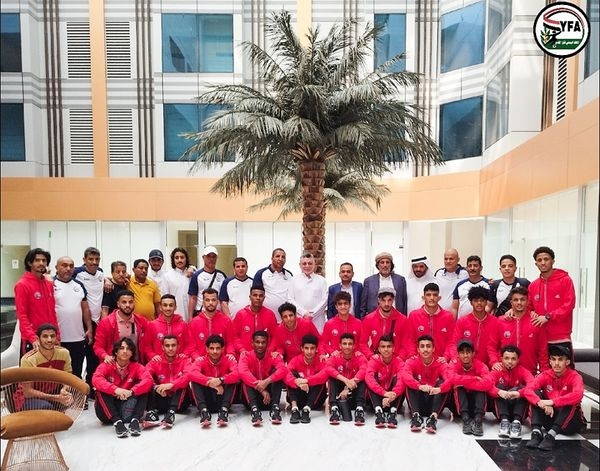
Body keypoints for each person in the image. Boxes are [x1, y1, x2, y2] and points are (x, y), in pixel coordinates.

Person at [523, 344, 587, 451]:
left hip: (570, 424)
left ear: (567, 362)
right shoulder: (545, 375)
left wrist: (552, 402)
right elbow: (527, 390)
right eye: (553, 359)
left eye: (560, 360)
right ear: (550, 361)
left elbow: (578, 395)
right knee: (535, 395)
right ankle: (536, 433)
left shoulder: (575, 376)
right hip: (551, 418)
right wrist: (541, 403)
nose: (556, 363)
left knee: (571, 401)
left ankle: (551, 436)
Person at [92, 338, 153, 438]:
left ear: (132, 353)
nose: (125, 351)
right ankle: (117, 422)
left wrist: (132, 391)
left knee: (144, 387)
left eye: (128, 349)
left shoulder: (137, 367)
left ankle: (135, 420)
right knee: (100, 389)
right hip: (107, 414)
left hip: (128, 408)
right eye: (121, 348)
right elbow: (96, 379)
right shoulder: (106, 365)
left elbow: (148, 380)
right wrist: (115, 390)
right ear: (116, 352)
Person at [528, 246, 576, 361]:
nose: (543, 263)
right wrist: (531, 313)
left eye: (546, 259)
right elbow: (528, 307)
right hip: (540, 336)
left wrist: (548, 317)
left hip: (561, 336)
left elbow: (569, 304)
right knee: (544, 370)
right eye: (539, 260)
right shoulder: (533, 285)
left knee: (564, 369)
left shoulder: (565, 280)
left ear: (553, 261)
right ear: (536, 264)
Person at [487, 287, 548, 376]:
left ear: (527, 302)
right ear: (511, 302)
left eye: (522, 300)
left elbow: (543, 351)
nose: (519, 303)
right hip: (504, 373)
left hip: (529, 372)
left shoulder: (536, 322)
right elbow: (491, 346)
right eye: (516, 300)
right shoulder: (500, 321)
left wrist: (544, 372)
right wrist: (494, 362)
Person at [402, 335, 452, 434]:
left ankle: (433, 418)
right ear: (418, 349)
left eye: (428, 346)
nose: (425, 349)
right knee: (410, 383)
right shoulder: (411, 361)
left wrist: (439, 389)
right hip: (418, 402)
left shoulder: (441, 362)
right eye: (422, 346)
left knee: (442, 383)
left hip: (434, 401)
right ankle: (416, 416)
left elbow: (450, 380)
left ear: (433, 349)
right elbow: (405, 376)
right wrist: (419, 386)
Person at [53, 256, 93, 378]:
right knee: (59, 375)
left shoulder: (79, 285)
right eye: (64, 265)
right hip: (58, 339)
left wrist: (89, 328)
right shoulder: (51, 284)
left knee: (76, 372)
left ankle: (76, 391)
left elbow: (85, 308)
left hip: (78, 338)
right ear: (56, 268)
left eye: (71, 266)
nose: (68, 269)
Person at [15, 248, 59, 355]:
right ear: (30, 263)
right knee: (31, 367)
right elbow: (22, 315)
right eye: (37, 260)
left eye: (44, 260)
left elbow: (52, 313)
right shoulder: (22, 284)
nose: (41, 263)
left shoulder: (48, 285)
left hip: (50, 338)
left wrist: (57, 335)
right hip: (33, 340)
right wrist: (32, 338)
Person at [74, 247, 105, 397]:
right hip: (83, 321)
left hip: (99, 321)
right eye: (90, 259)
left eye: (97, 259)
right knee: (81, 356)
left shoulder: (101, 273)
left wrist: (108, 280)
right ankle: (78, 389)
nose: (94, 262)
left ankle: (91, 387)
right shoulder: (77, 272)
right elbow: (60, 275)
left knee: (94, 357)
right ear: (84, 260)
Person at [19, 324, 73, 410]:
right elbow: (27, 392)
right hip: (29, 398)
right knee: (46, 407)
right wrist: (55, 398)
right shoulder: (28, 359)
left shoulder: (64, 353)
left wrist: (64, 389)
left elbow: (68, 378)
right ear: (38, 339)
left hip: (53, 392)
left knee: (69, 399)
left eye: (52, 336)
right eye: (45, 336)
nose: (49, 340)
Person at [238, 331, 287, 426]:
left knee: (277, 374)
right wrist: (262, 389)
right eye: (257, 342)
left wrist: (267, 381)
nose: (260, 345)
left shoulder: (273, 356)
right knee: (246, 378)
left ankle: (275, 409)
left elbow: (283, 370)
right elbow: (242, 372)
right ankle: (255, 411)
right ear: (252, 343)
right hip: (251, 398)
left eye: (263, 342)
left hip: (269, 399)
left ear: (267, 343)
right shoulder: (246, 356)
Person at [189, 335, 239, 427]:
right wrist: (209, 382)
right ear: (207, 349)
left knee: (232, 380)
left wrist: (221, 380)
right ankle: (204, 412)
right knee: (195, 381)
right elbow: (192, 374)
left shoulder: (229, 360)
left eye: (218, 348)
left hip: (223, 398)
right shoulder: (201, 360)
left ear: (223, 349)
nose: (215, 351)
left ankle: (224, 411)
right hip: (207, 400)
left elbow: (237, 374)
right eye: (212, 348)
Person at [144, 335, 191, 428]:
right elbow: (145, 376)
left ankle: (171, 413)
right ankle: (151, 413)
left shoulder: (185, 360)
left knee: (183, 383)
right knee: (147, 384)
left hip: (180, 403)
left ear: (178, 346)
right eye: (167, 345)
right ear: (162, 347)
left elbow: (188, 376)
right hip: (162, 397)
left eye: (173, 345)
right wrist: (156, 387)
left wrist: (172, 385)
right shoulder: (156, 361)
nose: (170, 348)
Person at [94, 290, 151, 365]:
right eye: (124, 302)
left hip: (136, 366)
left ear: (134, 303)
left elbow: (149, 345)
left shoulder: (142, 321)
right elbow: (98, 346)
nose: (128, 305)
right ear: (118, 304)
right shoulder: (106, 323)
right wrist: (105, 356)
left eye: (130, 302)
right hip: (114, 366)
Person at [488, 345, 533, 439]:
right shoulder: (496, 371)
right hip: (502, 409)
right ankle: (504, 422)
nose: (510, 361)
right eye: (506, 358)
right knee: (499, 387)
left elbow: (533, 385)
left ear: (518, 360)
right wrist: (499, 392)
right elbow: (487, 385)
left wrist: (519, 393)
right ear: (501, 359)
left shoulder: (523, 371)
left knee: (523, 389)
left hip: (518, 409)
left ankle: (517, 423)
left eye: (513, 359)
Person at [449, 339, 491, 437]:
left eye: (468, 352)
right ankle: (465, 419)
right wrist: (473, 379)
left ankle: (478, 420)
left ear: (473, 354)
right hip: (459, 407)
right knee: (459, 388)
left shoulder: (481, 365)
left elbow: (488, 383)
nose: (465, 355)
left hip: (476, 404)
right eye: (462, 352)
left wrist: (463, 382)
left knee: (481, 389)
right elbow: (451, 378)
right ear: (458, 354)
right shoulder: (454, 364)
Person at [285, 334, 329, 424]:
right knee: (292, 375)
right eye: (306, 348)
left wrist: (307, 380)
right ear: (302, 348)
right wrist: (297, 382)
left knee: (320, 377)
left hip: (315, 401)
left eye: (312, 348)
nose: (309, 352)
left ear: (316, 349)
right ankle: (294, 409)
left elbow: (325, 375)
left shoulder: (321, 360)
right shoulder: (295, 360)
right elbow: (285, 374)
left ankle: (307, 409)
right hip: (298, 398)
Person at [325, 333, 367, 426]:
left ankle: (359, 409)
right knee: (332, 377)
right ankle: (334, 408)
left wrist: (348, 386)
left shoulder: (360, 356)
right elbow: (328, 368)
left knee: (363, 378)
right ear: (340, 345)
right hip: (339, 394)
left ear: (354, 345)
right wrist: (345, 381)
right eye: (344, 344)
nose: (347, 346)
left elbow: (364, 370)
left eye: (350, 344)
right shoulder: (335, 356)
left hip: (354, 390)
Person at [450, 286, 498, 367]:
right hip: (465, 365)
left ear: (486, 302)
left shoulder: (495, 322)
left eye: (482, 300)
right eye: (476, 300)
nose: (479, 303)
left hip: (489, 365)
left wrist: (495, 361)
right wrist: (456, 359)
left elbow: (497, 346)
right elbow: (454, 343)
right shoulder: (462, 321)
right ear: (471, 302)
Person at [406, 282, 455, 361]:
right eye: (428, 295)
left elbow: (451, 341)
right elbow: (410, 340)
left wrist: (446, 357)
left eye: (435, 295)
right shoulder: (414, 316)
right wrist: (413, 356)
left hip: (441, 361)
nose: (432, 298)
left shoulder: (448, 317)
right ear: (423, 297)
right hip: (419, 361)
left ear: (439, 298)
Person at [365, 334, 405, 428]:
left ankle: (393, 412)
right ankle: (378, 412)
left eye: (389, 346)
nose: (386, 349)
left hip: (394, 399)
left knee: (401, 379)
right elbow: (369, 378)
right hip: (377, 399)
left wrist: (392, 394)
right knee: (370, 380)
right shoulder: (373, 360)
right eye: (383, 347)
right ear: (379, 349)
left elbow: (401, 381)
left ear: (393, 348)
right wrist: (384, 393)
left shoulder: (399, 362)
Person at [185, 288, 236, 361]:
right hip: (201, 362)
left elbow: (230, 342)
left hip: (221, 362)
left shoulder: (226, 321)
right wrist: (196, 357)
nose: (210, 303)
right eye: (207, 300)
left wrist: (230, 353)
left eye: (213, 300)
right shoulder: (194, 323)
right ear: (203, 302)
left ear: (217, 302)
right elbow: (191, 345)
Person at [359, 287, 408, 360]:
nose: (386, 304)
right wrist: (370, 356)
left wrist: (400, 358)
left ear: (393, 300)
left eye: (389, 300)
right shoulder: (369, 319)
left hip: (396, 359)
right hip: (376, 358)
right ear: (378, 300)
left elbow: (406, 344)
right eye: (383, 300)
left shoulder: (403, 319)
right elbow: (362, 343)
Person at [286, 252, 328, 333]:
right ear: (300, 265)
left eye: (310, 263)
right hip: (300, 318)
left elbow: (325, 300)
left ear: (314, 264)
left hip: (317, 320)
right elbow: (290, 299)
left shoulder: (322, 280)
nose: (307, 266)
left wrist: (312, 313)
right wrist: (303, 313)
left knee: (317, 339)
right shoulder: (294, 280)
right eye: (304, 263)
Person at [232, 285, 278, 356]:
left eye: (261, 296)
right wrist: (241, 349)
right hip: (245, 356)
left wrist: (269, 350)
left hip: (265, 357)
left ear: (264, 298)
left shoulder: (270, 315)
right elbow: (234, 336)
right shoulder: (241, 314)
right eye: (255, 295)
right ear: (250, 297)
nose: (258, 298)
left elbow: (275, 336)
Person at [360, 252, 407, 318]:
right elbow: (363, 305)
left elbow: (404, 302)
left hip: (396, 319)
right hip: (374, 319)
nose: (385, 265)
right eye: (382, 262)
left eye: (387, 262)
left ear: (391, 265)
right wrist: (363, 319)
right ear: (378, 265)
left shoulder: (400, 280)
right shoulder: (369, 281)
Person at [252, 248, 293, 322]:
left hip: (285, 319)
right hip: (265, 318)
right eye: (277, 256)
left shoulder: (289, 275)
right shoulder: (261, 273)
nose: (280, 259)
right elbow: (255, 297)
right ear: (272, 258)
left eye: (283, 257)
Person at [188, 246, 227, 319]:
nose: (211, 259)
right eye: (208, 256)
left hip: (218, 315)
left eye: (213, 256)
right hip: (201, 314)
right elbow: (193, 298)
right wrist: (190, 318)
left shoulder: (222, 275)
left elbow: (224, 298)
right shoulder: (197, 276)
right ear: (203, 257)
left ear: (216, 258)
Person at [146, 294, 189, 359]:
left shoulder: (183, 325)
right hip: (159, 363)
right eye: (165, 305)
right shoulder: (152, 325)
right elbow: (147, 346)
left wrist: (185, 354)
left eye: (171, 305)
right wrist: (152, 355)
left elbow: (190, 344)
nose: (168, 308)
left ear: (175, 307)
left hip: (179, 362)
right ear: (160, 307)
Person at [321, 291, 362, 356]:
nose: (343, 306)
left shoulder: (358, 323)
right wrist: (332, 352)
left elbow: (362, 343)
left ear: (350, 305)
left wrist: (359, 351)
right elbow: (324, 343)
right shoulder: (329, 324)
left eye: (345, 303)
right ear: (336, 306)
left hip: (354, 358)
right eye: (340, 304)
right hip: (336, 358)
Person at [163, 247, 195, 322]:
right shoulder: (167, 276)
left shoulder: (192, 274)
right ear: (173, 260)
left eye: (182, 257)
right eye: (176, 258)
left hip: (191, 315)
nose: (179, 260)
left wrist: (193, 268)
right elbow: (165, 298)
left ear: (186, 259)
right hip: (174, 315)